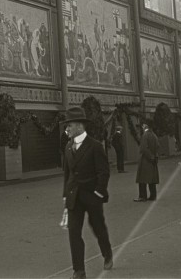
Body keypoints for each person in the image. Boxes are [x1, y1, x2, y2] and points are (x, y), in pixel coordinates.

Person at [62, 107, 113, 279]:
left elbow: (103, 172)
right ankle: (79, 271)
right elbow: (67, 174)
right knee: (74, 233)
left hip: (91, 197)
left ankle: (107, 254)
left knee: (98, 228)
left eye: (69, 126)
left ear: (79, 126)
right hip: (74, 197)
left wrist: (99, 193)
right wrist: (65, 195)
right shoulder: (68, 146)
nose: (66, 129)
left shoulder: (95, 146)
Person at [134, 119, 159, 202]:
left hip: (145, 160)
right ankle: (153, 195)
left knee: (142, 179)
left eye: (143, 125)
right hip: (153, 160)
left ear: (146, 125)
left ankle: (142, 196)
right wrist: (154, 157)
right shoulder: (154, 135)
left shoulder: (145, 135)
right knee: (151, 179)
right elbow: (157, 147)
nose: (142, 126)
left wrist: (150, 157)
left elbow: (144, 148)